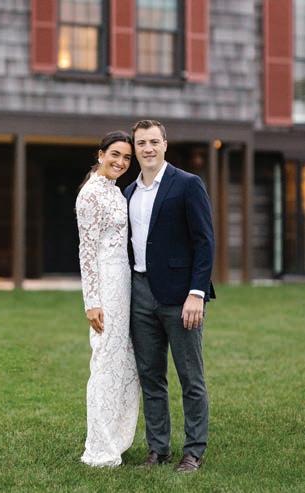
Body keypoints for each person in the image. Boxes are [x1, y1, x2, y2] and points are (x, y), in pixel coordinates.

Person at [124, 120, 215, 473]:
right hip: (140, 293)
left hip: (180, 296)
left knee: (191, 377)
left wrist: (197, 293)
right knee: (151, 377)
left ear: (165, 144)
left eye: (153, 142)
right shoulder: (129, 192)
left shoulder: (188, 184)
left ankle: (193, 451)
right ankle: (158, 450)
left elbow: (204, 242)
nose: (147, 148)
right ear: (135, 148)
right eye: (141, 143)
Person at [75, 131, 140, 467]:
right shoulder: (90, 195)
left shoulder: (115, 191)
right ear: (100, 154)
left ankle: (117, 436)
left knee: (122, 363)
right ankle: (99, 446)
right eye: (115, 154)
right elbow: (86, 252)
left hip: (125, 282)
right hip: (105, 286)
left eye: (127, 158)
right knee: (104, 362)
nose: (121, 162)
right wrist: (92, 302)